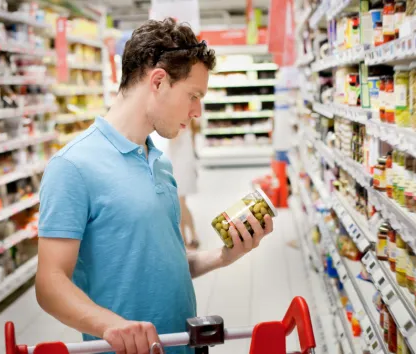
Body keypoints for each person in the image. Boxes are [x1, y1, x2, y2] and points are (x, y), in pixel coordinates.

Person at [35, 18, 274, 354]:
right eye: (193, 95)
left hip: (182, 345)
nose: (197, 111)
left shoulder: (159, 161)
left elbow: (164, 261)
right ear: (159, 81)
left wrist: (222, 256)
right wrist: (110, 326)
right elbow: (49, 284)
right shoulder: (72, 166)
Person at [167, 124, 200, 249]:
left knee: (180, 203)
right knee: (178, 204)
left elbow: (173, 138)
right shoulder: (183, 122)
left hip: (182, 168)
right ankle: (183, 237)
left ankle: (193, 235)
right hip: (177, 165)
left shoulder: (181, 123)